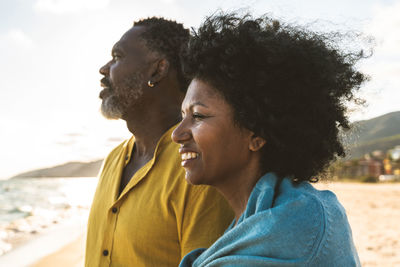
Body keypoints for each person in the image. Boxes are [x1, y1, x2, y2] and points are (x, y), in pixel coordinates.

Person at [172, 13, 366, 266]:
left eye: (198, 115)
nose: (177, 134)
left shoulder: (298, 224)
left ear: (256, 133)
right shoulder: (267, 218)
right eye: (182, 115)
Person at [85, 17, 234, 267]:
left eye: (117, 56)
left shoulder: (201, 167)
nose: (104, 69)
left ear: (158, 69)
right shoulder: (112, 160)